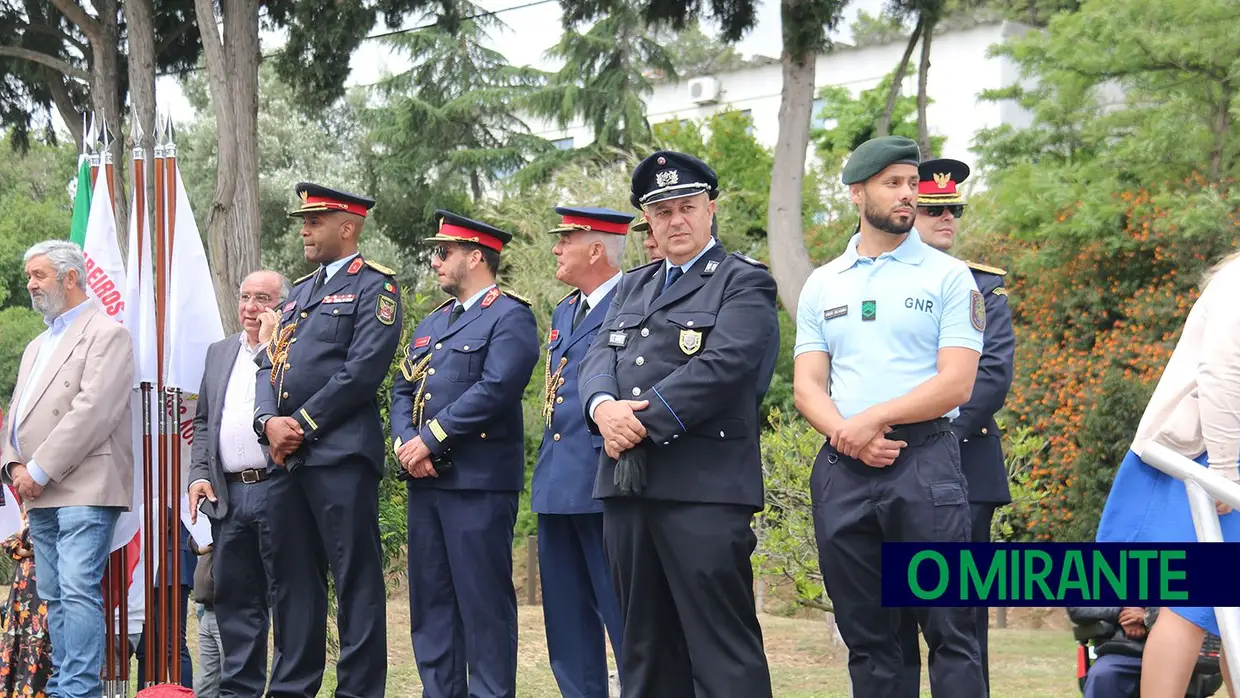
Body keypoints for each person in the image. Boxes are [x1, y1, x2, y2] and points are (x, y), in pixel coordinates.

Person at [578, 150, 779, 696]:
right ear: (649, 221)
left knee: (722, 651)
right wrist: (601, 409)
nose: (676, 221)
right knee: (643, 647)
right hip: (628, 487)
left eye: (687, 207)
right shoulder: (631, 286)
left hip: (704, 492)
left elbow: (726, 367)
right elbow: (597, 359)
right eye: (662, 213)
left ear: (710, 209)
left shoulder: (744, 281)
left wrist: (641, 419)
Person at [792, 136, 987, 698]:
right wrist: (846, 436)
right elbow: (808, 384)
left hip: (925, 467)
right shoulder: (824, 282)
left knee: (950, 632)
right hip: (844, 469)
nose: (909, 195)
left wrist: (870, 420)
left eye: (912, 183)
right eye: (894, 183)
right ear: (857, 193)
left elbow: (957, 381)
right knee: (870, 640)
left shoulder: (949, 277)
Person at [254, 183, 403, 698]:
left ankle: (359, 691)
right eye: (304, 221)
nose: (303, 230)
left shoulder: (376, 288)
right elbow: (266, 363)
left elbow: (362, 372)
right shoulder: (297, 292)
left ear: (348, 226)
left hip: (339, 456)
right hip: (285, 460)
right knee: (292, 582)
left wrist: (301, 425)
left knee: (355, 580)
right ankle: (293, 687)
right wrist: (267, 422)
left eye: (314, 221)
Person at [389, 210, 539, 698]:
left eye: (443, 252)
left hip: (477, 483)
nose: (435, 260)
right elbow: (402, 387)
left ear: (476, 256)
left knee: (483, 606)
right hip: (425, 482)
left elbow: (496, 389)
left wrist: (429, 439)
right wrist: (404, 441)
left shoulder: (510, 315)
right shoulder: (433, 321)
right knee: (431, 607)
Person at [1095, 247, 1240, 698]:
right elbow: (1221, 373)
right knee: (1194, 605)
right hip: (1206, 456)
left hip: (1217, 456)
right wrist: (1224, 468)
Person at [898, 157, 1016, 696]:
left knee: (962, 626)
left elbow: (987, 379)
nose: (947, 219)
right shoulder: (866, 281)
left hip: (962, 472)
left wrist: (918, 433)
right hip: (882, 468)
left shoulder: (983, 287)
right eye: (934, 210)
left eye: (954, 210)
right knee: (891, 621)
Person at [1, 239, 135, 698]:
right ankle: (64, 684)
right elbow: (15, 415)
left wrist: (36, 470)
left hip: (85, 487)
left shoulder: (107, 333)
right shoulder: (37, 345)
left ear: (70, 277)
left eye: (39, 275)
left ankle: (78, 689)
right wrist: (13, 465)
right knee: (55, 594)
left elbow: (93, 410)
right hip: (38, 491)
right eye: (30, 276)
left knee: (78, 589)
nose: (30, 284)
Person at [533, 206, 630, 698]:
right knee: (566, 622)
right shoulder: (565, 309)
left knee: (624, 616)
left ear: (596, 249)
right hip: (558, 482)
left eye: (566, 239)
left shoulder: (636, 299)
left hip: (605, 478)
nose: (556, 248)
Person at [188, 269, 288, 697]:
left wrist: (270, 348)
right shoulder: (219, 352)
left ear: (282, 305)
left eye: (262, 299)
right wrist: (197, 475)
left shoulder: (291, 352)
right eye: (245, 297)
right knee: (235, 602)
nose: (250, 308)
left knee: (287, 599)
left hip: (278, 488)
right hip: (228, 494)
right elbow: (204, 421)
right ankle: (240, 691)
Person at [0, 509, 53, 697]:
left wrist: (24, 542)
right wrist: (22, 542)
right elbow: (11, 540)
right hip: (25, 587)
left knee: (42, 641)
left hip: (47, 582)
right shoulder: (22, 505)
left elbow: (35, 540)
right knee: (23, 642)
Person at [1067, 605, 1150, 697]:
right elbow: (1077, 609)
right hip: (1118, 652)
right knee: (1103, 675)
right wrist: (1122, 612)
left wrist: (1148, 616)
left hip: (1164, 653)